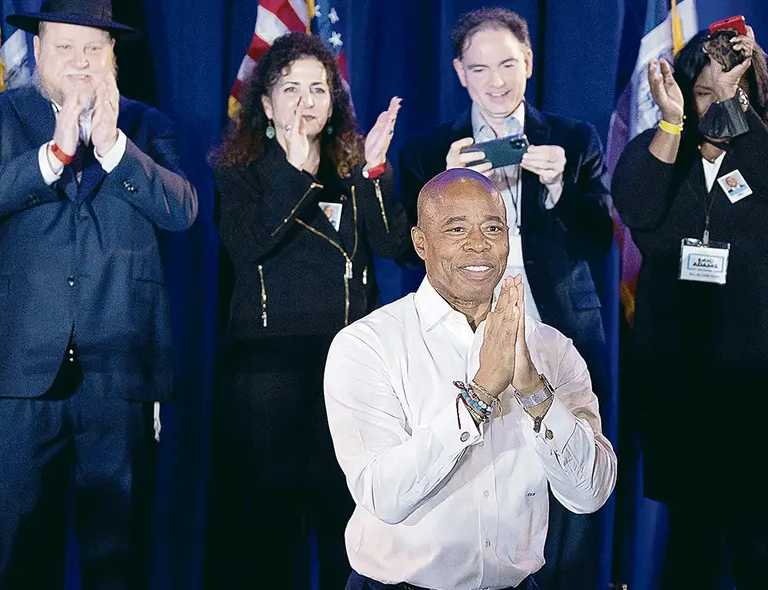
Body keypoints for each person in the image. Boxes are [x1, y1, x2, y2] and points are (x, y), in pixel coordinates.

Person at [398, 9, 613, 587]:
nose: (497, 81)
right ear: (459, 73)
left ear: (529, 64)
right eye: (480, 67)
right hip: (462, 335)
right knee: (479, 470)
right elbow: (401, 246)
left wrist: (561, 187)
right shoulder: (428, 148)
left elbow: (601, 239)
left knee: (568, 467)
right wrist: (437, 189)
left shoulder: (572, 138)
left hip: (558, 327)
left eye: (508, 65)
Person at [324, 168, 616, 590]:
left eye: (492, 228)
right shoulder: (368, 345)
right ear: (421, 243)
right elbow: (382, 496)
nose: (478, 244)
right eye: (456, 228)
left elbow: (589, 493)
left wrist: (535, 394)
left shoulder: (551, 348)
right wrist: (478, 397)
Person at [0, 0, 198, 587]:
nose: (80, 60)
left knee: (119, 554)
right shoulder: (0, 117)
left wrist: (113, 148)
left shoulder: (145, 124)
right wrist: (52, 155)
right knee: (15, 554)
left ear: (111, 54)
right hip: (18, 377)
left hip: (121, 373)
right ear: (37, 51)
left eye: (93, 48)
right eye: (65, 47)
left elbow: (181, 211)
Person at [610, 24, 768, 590]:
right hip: (679, 378)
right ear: (681, 93)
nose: (719, 104)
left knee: (756, 533)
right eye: (705, 92)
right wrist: (673, 126)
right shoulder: (656, 153)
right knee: (692, 534)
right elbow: (637, 207)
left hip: (761, 379)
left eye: (735, 92)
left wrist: (734, 105)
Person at [206, 32, 409, 590]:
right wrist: (291, 170)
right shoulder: (240, 172)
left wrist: (374, 173)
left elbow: (394, 247)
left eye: (318, 88)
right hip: (266, 378)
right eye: (290, 88)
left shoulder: (353, 169)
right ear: (266, 104)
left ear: (334, 99)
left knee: (343, 528)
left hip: (345, 379)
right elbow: (247, 247)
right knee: (269, 531)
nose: (305, 100)